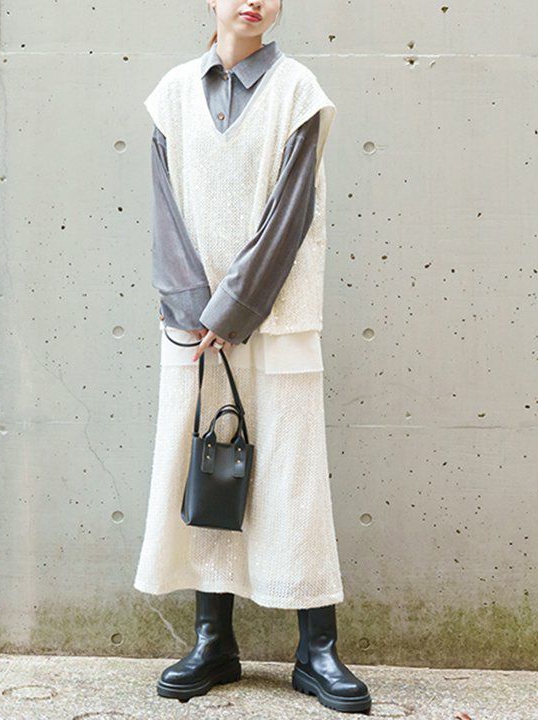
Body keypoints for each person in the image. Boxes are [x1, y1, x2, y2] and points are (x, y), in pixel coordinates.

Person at [133, 0, 372, 714]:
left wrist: (233, 311)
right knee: (207, 467)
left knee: (294, 478)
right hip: (194, 324)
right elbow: (164, 213)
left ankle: (316, 649)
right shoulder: (172, 94)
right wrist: (194, 309)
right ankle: (214, 641)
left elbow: (290, 215)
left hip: (276, 317)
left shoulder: (299, 91)